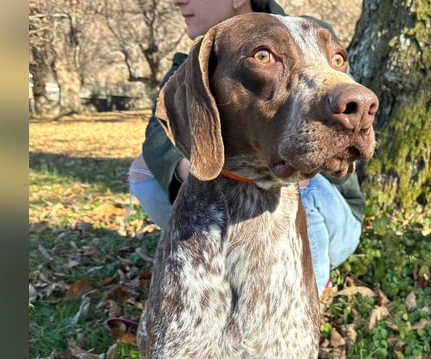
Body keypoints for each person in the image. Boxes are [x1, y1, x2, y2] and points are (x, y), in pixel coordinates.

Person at [128, 0, 366, 294]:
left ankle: (307, 293)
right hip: (228, 211)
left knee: (295, 169)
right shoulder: (193, 64)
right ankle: (210, 261)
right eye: (263, 56)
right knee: (145, 170)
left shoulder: (310, 35)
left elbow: (339, 104)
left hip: (331, 214)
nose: (178, 1)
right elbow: (157, 137)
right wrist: (205, 158)